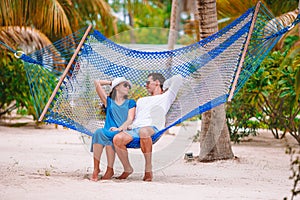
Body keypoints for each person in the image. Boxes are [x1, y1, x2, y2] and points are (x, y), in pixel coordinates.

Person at [113, 73, 183, 181]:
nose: (145, 85)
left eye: (148, 82)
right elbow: (133, 118)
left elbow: (178, 78)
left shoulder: (166, 97)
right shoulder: (141, 100)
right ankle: (127, 168)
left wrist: (164, 86)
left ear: (157, 83)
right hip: (136, 129)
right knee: (117, 139)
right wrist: (123, 127)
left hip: (153, 128)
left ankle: (148, 169)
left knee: (144, 131)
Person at [91, 77, 136, 181]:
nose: (127, 87)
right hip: (109, 129)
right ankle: (96, 169)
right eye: (125, 85)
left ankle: (109, 169)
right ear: (117, 87)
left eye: (128, 86)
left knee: (110, 138)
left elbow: (130, 119)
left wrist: (119, 128)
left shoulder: (131, 102)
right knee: (98, 133)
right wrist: (112, 82)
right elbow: (96, 82)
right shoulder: (109, 101)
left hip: (122, 131)